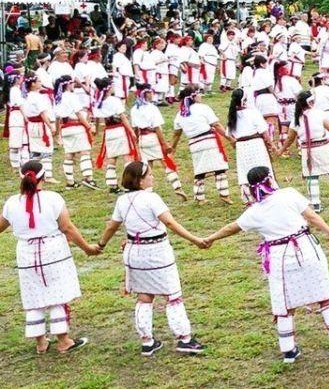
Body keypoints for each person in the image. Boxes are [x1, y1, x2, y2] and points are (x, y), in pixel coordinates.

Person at [203, 166, 329, 362]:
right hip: (306, 249)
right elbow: (312, 216)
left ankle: (288, 350)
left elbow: (232, 228)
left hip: (279, 258)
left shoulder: (254, 212)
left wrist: (210, 238)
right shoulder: (289, 195)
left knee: (284, 303)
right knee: (324, 295)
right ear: (270, 179)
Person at [95, 161, 207, 355]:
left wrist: (101, 245)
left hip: (134, 253)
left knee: (144, 296)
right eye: (149, 175)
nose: (152, 178)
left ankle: (147, 341)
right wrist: (195, 239)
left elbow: (112, 226)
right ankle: (184, 338)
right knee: (172, 295)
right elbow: (169, 223)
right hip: (157, 252)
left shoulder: (122, 200)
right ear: (139, 180)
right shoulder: (152, 198)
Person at [0, 160, 98, 354]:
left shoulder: (12, 203)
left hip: (26, 253)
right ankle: (63, 340)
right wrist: (86, 248)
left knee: (33, 295)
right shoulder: (53, 198)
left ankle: (40, 342)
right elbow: (67, 228)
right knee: (56, 294)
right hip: (53, 250)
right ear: (43, 178)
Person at [280, 90, 329, 212]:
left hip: (307, 151)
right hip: (323, 148)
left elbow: (290, 139)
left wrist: (281, 150)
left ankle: (315, 203)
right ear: (310, 102)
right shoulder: (319, 114)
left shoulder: (296, 119)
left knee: (312, 177)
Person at [168, 86, 233, 205]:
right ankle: (224, 194)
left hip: (194, 144)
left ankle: (199, 197)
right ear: (194, 96)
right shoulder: (203, 108)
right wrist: (229, 138)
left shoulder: (180, 114)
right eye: (199, 94)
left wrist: (172, 149)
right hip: (209, 140)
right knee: (219, 167)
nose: (201, 96)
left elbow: (176, 135)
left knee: (199, 171)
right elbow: (217, 125)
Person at [130, 84, 186, 199]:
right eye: (150, 93)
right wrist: (164, 143)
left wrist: (136, 143)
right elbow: (157, 128)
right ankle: (177, 187)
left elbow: (135, 128)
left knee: (147, 166)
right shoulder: (152, 108)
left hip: (142, 139)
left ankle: (147, 192)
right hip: (153, 138)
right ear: (146, 94)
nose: (152, 95)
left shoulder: (134, 109)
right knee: (166, 162)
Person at [226, 88, 276, 203]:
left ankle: (250, 198)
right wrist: (271, 144)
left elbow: (227, 133)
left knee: (246, 171)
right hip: (255, 144)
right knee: (261, 167)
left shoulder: (232, 115)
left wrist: (234, 142)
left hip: (242, 147)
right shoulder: (252, 112)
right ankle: (267, 192)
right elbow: (264, 131)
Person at [93, 76, 139, 192]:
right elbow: (123, 117)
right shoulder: (114, 100)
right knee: (127, 157)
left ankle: (112, 184)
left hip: (108, 131)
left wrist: (97, 130)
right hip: (119, 130)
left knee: (112, 158)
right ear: (109, 88)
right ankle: (130, 184)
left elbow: (98, 119)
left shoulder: (99, 101)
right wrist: (132, 131)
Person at [51, 75, 90, 187]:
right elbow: (78, 114)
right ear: (68, 84)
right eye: (72, 83)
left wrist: (58, 133)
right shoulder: (71, 96)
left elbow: (57, 118)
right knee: (85, 152)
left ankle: (70, 182)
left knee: (69, 155)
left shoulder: (58, 98)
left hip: (65, 129)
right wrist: (88, 126)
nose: (74, 85)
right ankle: (88, 178)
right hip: (76, 126)